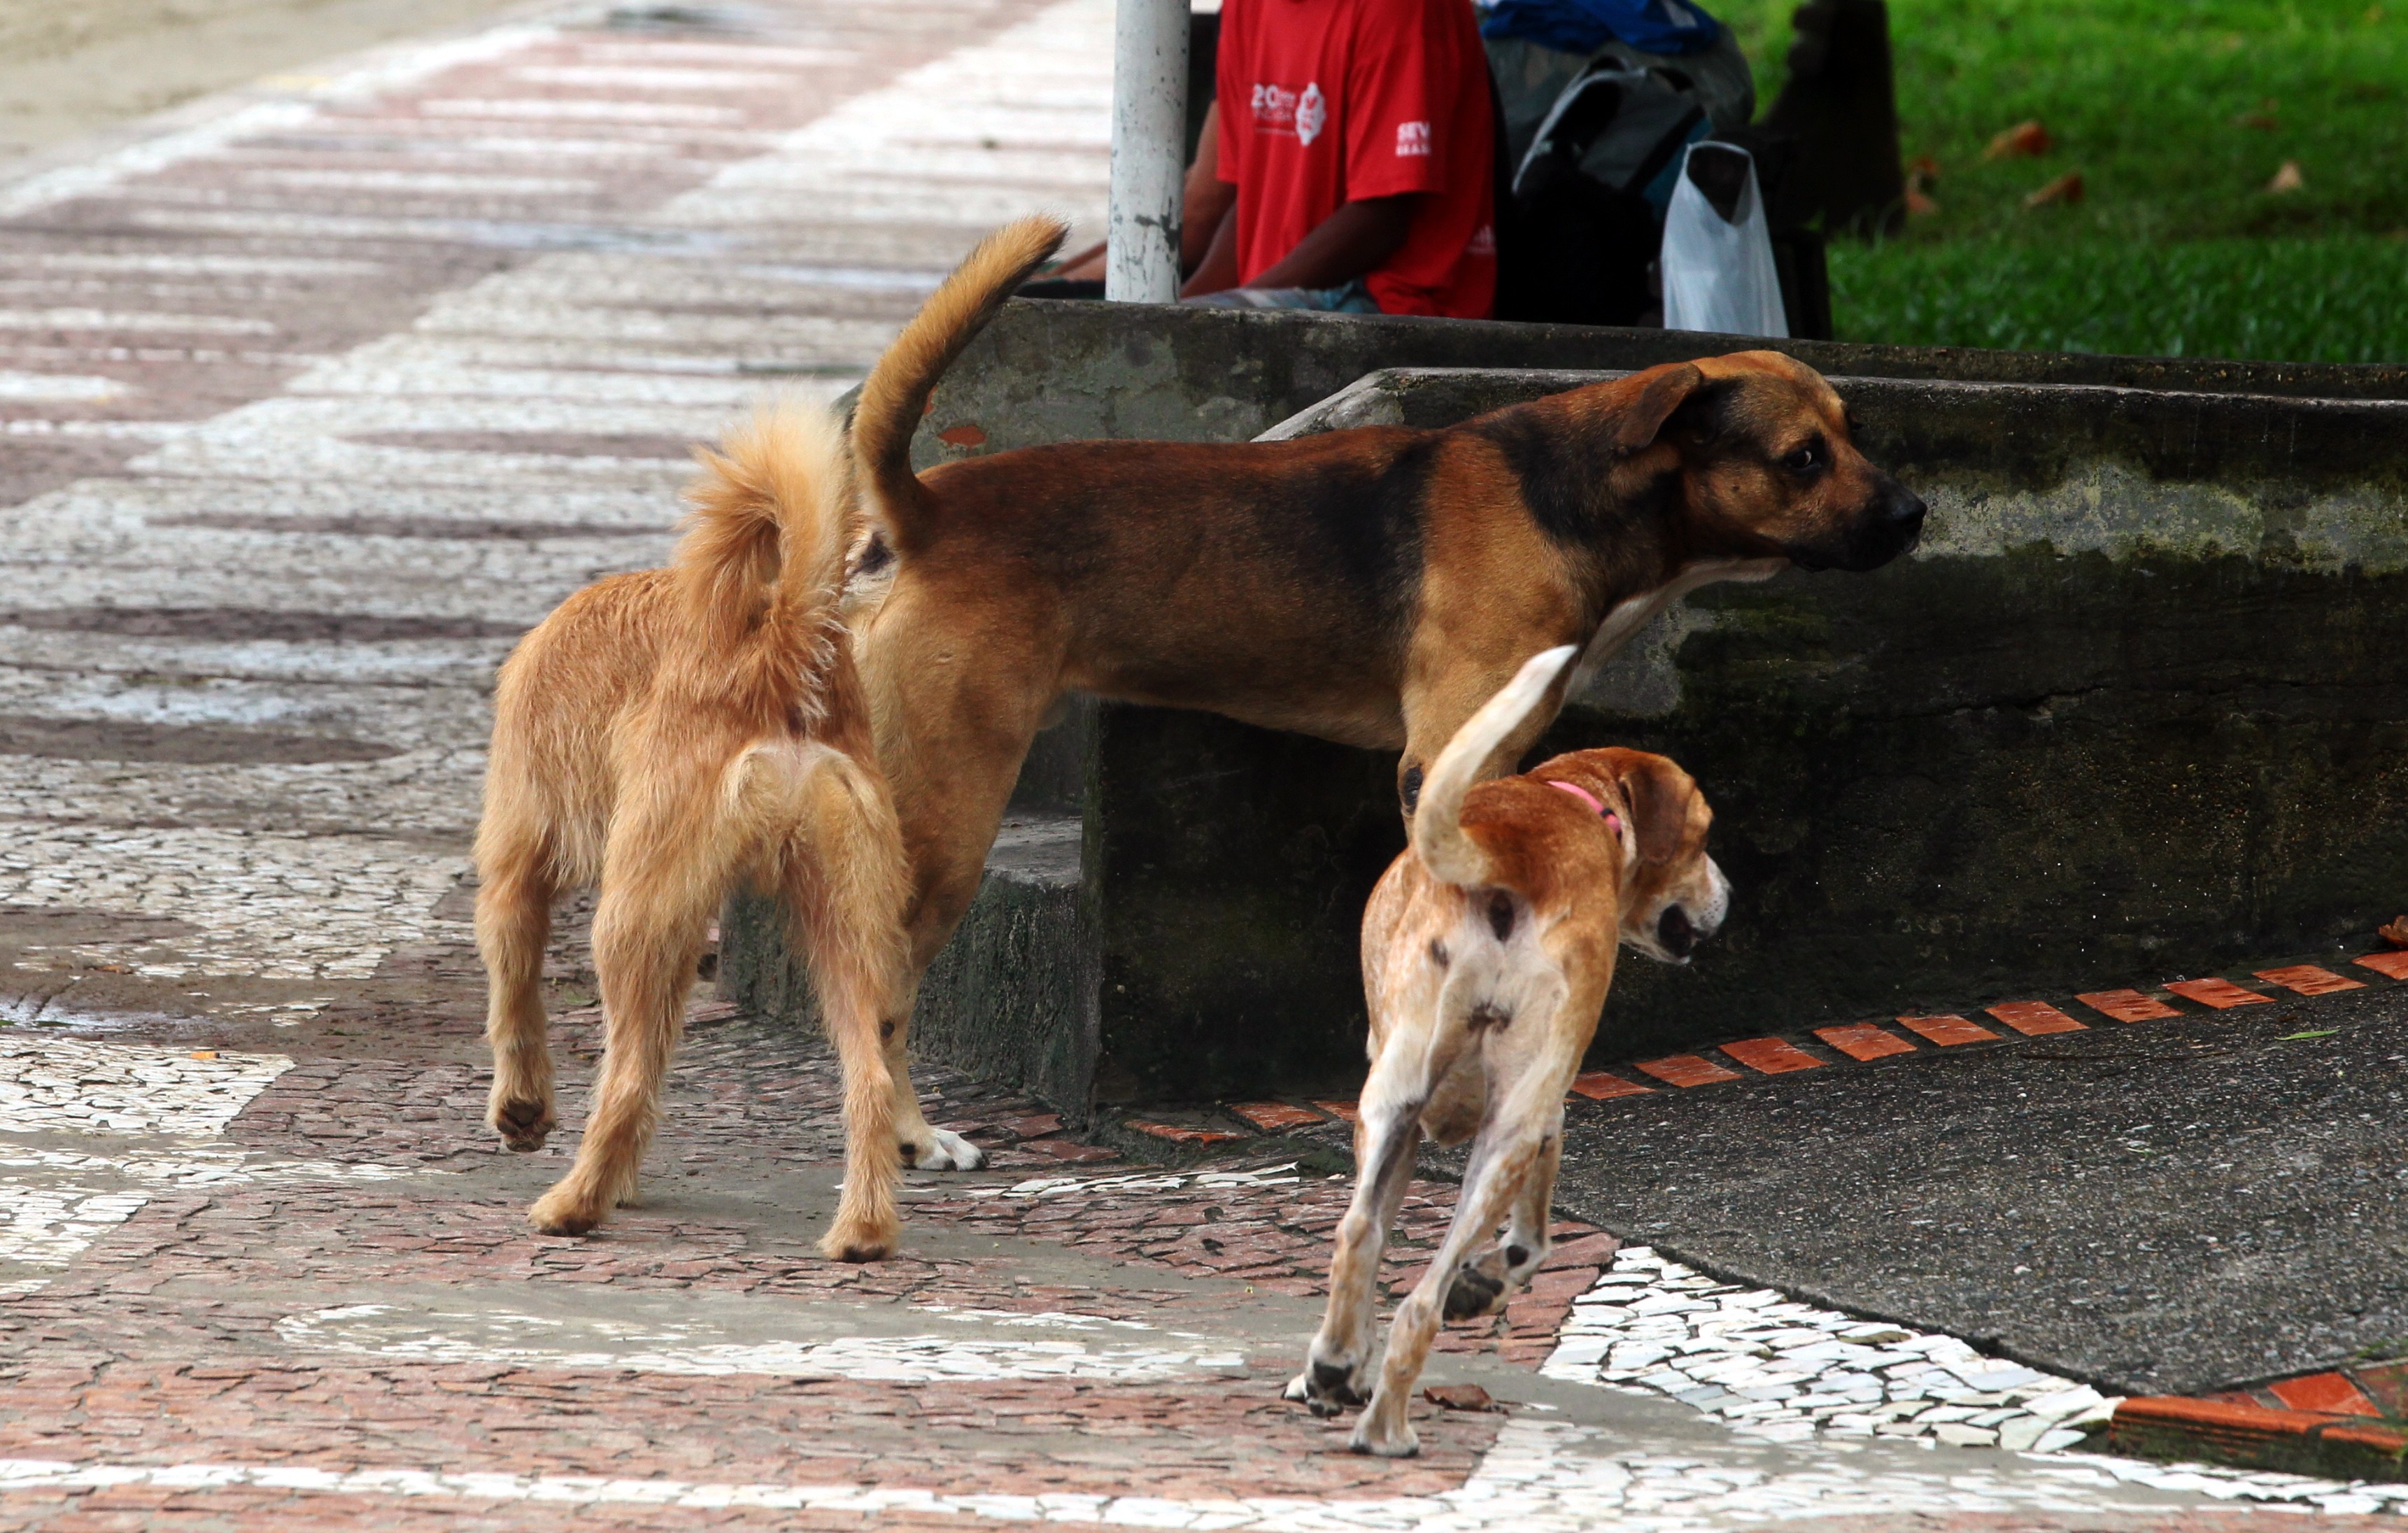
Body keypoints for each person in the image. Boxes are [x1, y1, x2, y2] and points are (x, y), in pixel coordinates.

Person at [1060, 0, 1495, 318]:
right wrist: (1179, 314)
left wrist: (1208, 316)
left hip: (1391, 300)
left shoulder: (1402, 11)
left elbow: (1382, 219)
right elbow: (1243, 204)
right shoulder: (1247, 9)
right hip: (1282, 292)